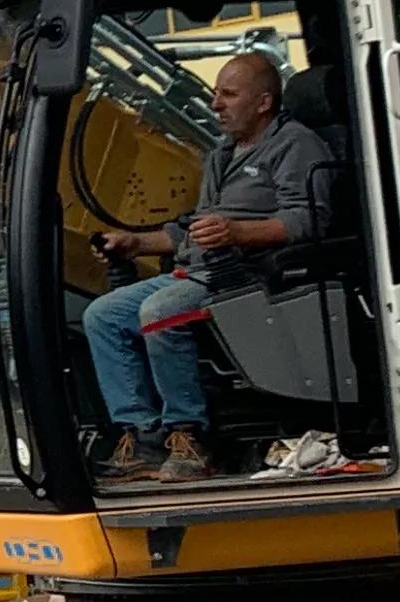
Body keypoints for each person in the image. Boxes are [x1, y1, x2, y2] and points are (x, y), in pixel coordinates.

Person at [83, 46, 334, 481]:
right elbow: (191, 230)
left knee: (161, 313)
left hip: (251, 275)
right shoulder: (221, 155)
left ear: (263, 103)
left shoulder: (298, 146)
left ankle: (189, 437)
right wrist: (134, 243)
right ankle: (143, 437)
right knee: (102, 315)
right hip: (200, 271)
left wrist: (237, 233)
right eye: (216, 94)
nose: (215, 104)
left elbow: (311, 218)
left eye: (229, 95)